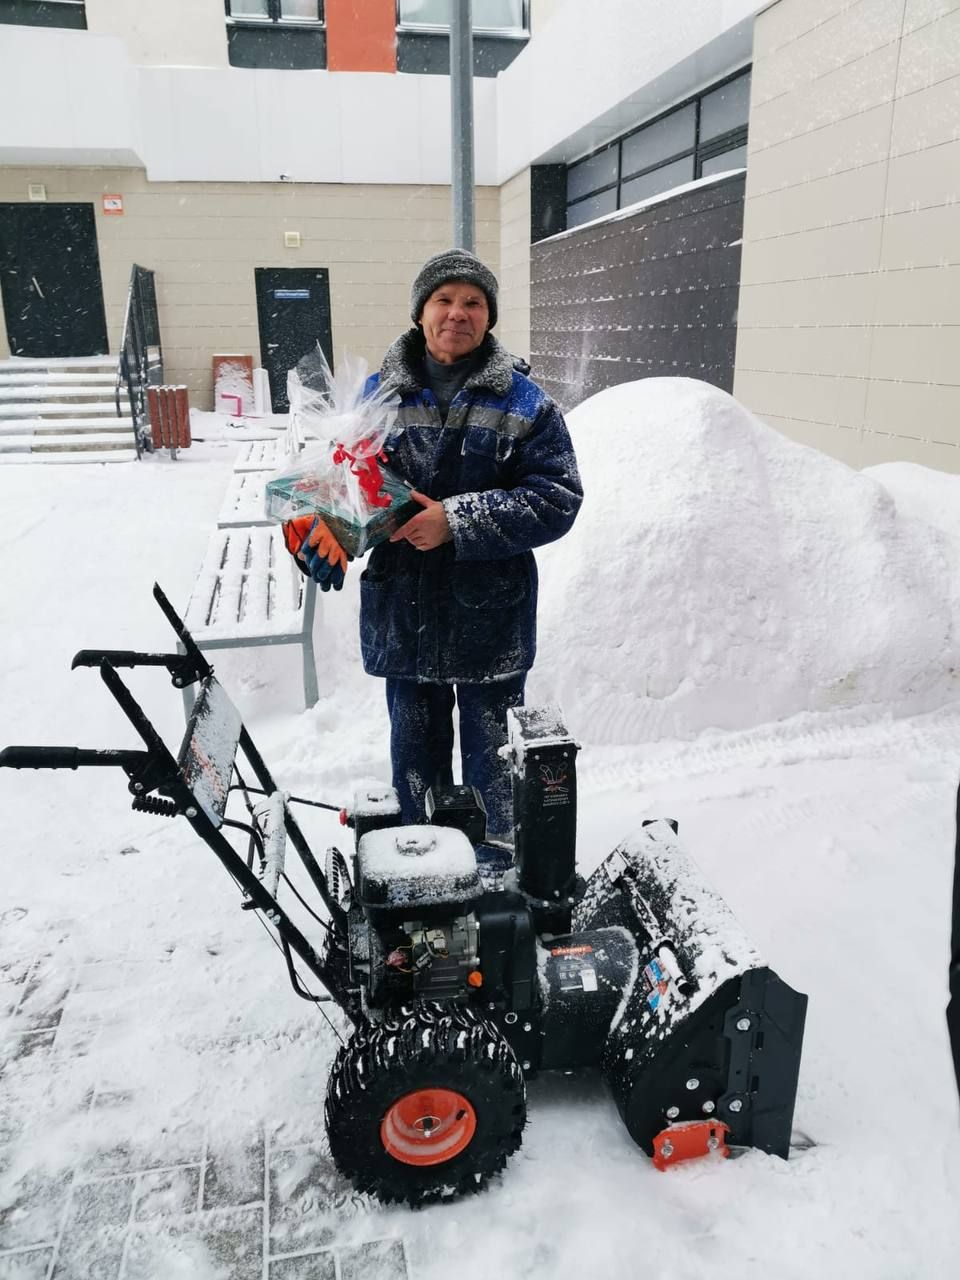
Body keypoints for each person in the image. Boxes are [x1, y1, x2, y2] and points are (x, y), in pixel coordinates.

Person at [284, 249, 582, 838]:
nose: (457, 313)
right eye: (443, 300)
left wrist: (457, 520)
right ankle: (422, 870)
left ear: (489, 318)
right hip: (406, 612)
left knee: (494, 770)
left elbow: (557, 498)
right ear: (420, 313)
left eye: (473, 302)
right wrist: (317, 524)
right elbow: (345, 487)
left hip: (489, 618)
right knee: (414, 766)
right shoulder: (373, 399)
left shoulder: (524, 403)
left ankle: (495, 874)